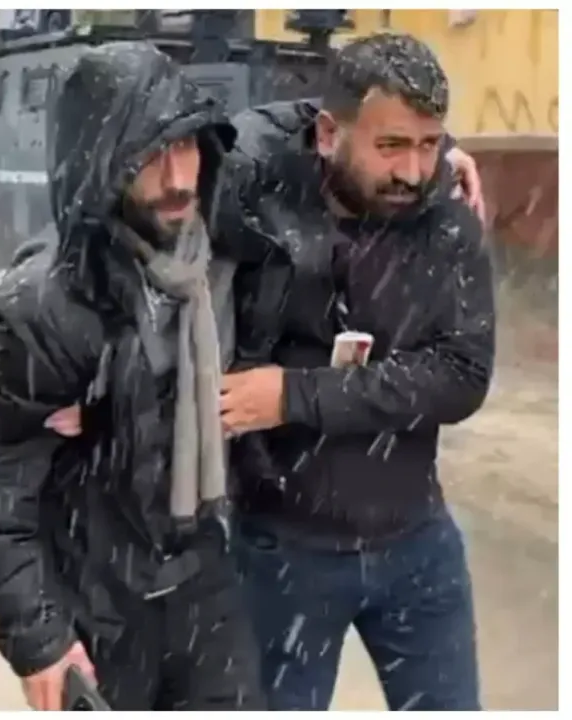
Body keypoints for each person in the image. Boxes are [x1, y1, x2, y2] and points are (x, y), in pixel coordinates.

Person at [0, 43, 284, 711]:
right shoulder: (49, 307)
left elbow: (320, 129)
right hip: (99, 595)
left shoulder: (230, 247)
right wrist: (38, 639)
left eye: (186, 146)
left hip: (205, 575)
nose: (177, 177)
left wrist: (445, 154)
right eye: (148, 155)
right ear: (100, 163)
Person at [219, 33, 494, 711]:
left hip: (418, 547)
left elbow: (462, 374)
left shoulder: (447, 221)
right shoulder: (260, 203)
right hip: (282, 553)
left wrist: (295, 395)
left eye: (428, 145)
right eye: (391, 146)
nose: (412, 171)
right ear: (326, 134)